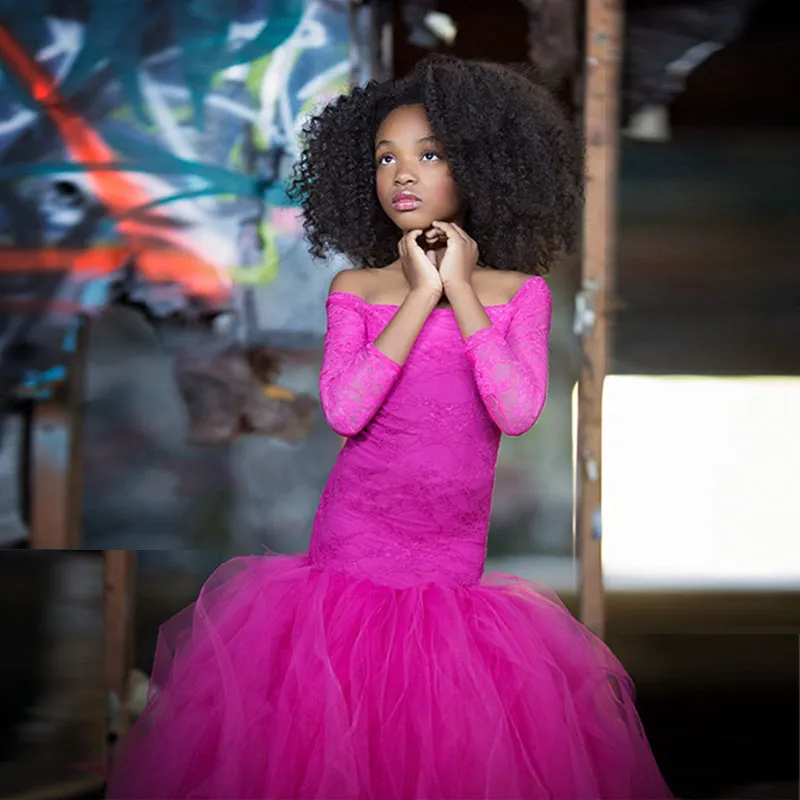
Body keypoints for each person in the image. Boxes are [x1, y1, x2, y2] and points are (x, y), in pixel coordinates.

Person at [106, 55, 672, 799]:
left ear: (481, 167)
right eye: (385, 158)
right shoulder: (358, 288)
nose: (401, 174)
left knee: (436, 751)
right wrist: (417, 296)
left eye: (428, 155)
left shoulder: (518, 295)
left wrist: (461, 291)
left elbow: (517, 410)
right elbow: (346, 409)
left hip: (449, 571)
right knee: (333, 745)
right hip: (350, 562)